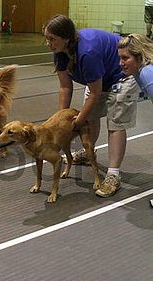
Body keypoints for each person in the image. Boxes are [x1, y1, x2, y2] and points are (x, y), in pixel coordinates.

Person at [44, 15, 138, 198]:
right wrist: (60, 119)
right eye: (46, 38)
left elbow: (94, 93)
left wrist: (78, 121)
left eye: (52, 39)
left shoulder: (87, 52)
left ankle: (113, 174)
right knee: (91, 117)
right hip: (99, 79)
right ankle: (89, 152)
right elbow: (65, 86)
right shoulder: (59, 51)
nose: (48, 43)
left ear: (66, 38)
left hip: (121, 75)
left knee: (115, 123)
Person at [118, 33, 153, 207]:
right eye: (120, 58)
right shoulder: (140, 72)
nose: (120, 63)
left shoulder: (147, 74)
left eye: (125, 58)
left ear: (139, 57)